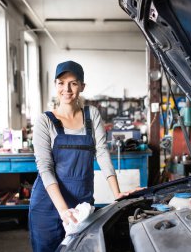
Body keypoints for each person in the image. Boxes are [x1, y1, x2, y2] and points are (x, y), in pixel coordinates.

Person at [29, 60, 131, 251]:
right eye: (61, 83)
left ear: (82, 86)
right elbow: (45, 167)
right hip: (49, 204)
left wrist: (116, 193)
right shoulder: (45, 121)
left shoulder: (92, 114)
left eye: (73, 83)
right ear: (55, 85)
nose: (66, 89)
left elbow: (101, 152)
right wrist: (62, 211)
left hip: (81, 202)